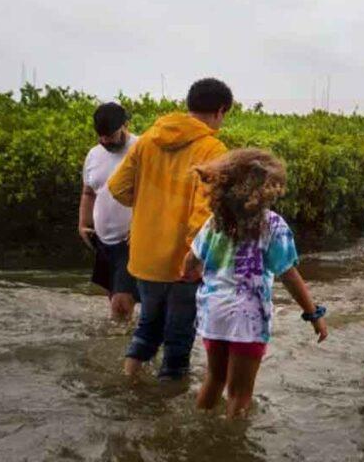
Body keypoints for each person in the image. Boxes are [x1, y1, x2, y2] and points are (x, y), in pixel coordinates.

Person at [184, 149, 328, 418]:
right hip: (248, 319)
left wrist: (190, 274)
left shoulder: (216, 222)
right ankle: (232, 446)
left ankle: (198, 434)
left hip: (213, 311)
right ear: (265, 189)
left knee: (214, 379)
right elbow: (289, 275)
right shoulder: (272, 225)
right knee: (240, 394)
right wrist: (313, 314)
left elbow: (190, 262)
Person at [108, 78, 231, 380]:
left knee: (147, 327)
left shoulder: (149, 139)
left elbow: (117, 187)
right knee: (177, 343)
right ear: (220, 110)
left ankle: (129, 383)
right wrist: (194, 256)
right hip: (181, 262)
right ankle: (165, 418)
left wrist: (150, 208)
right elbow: (205, 212)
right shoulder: (212, 148)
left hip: (145, 257)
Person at [79, 102, 139, 321]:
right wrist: (83, 223)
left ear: (125, 125)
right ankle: (121, 346)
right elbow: (88, 192)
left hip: (133, 240)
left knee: (121, 305)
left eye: (110, 135)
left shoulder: (141, 149)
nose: (105, 141)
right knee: (114, 300)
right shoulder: (94, 155)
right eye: (101, 136)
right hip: (103, 240)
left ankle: (126, 353)